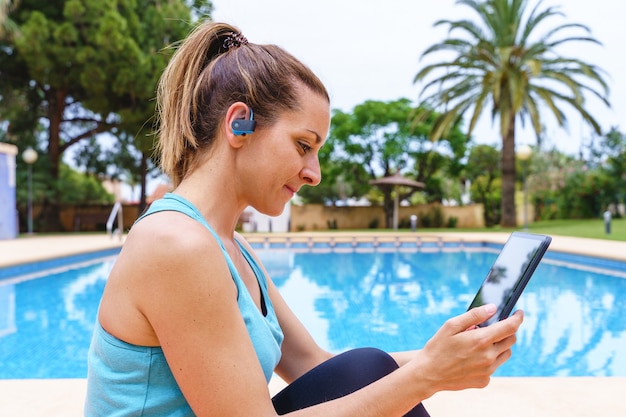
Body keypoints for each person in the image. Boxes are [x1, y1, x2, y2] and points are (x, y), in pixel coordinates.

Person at [84, 20, 523, 417]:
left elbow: (316, 367)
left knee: (363, 366)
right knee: (369, 370)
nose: (314, 174)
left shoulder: (231, 249)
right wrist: (427, 375)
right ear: (239, 124)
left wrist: (439, 359)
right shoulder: (175, 245)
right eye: (302, 145)